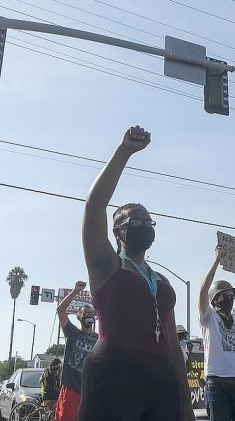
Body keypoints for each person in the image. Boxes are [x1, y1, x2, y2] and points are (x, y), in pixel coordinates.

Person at [78, 125, 193, 421]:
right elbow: (94, 207)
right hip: (114, 369)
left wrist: (184, 399)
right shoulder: (107, 265)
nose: (143, 226)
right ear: (118, 231)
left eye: (148, 223)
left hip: (160, 376)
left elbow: (171, 339)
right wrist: (124, 151)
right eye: (135, 222)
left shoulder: (162, 282)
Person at [198, 246, 235, 421]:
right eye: (225, 295)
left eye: (232, 294)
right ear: (214, 299)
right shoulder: (208, 317)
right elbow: (203, 291)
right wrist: (216, 261)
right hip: (217, 385)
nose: (230, 298)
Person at [55, 281, 98, 421]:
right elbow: (60, 311)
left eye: (91, 313)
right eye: (85, 313)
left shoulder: (100, 339)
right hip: (71, 389)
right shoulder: (73, 333)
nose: (89, 315)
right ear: (79, 317)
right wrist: (75, 291)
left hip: (90, 392)